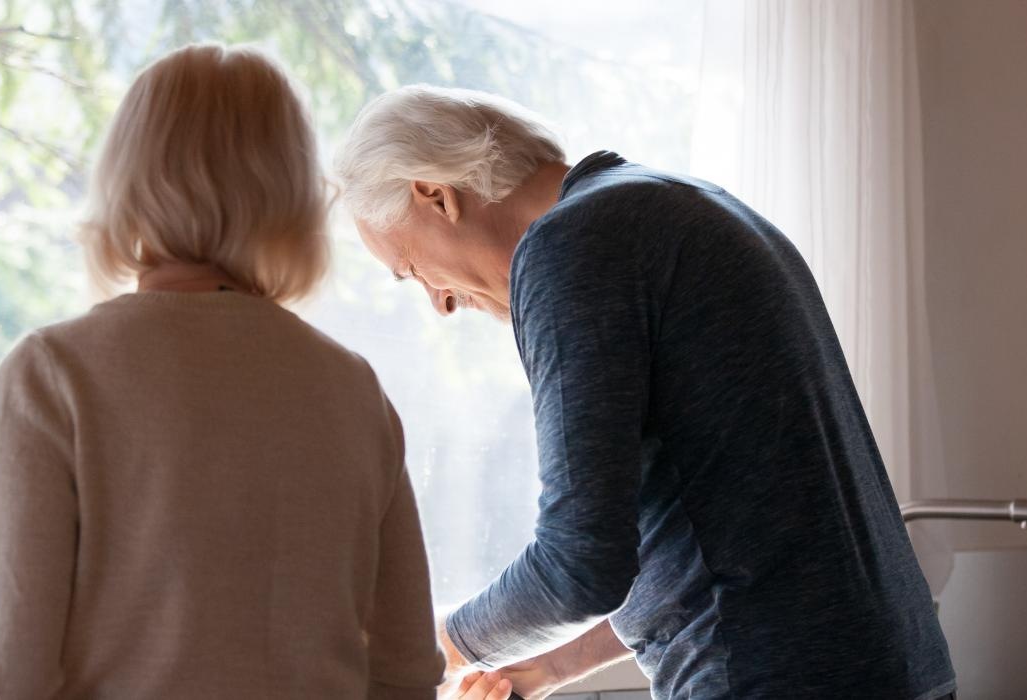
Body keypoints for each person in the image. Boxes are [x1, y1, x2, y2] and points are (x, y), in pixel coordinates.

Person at [334, 86, 956, 700]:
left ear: (436, 195)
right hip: (896, 666)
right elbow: (714, 541)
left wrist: (423, 651)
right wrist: (549, 666)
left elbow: (579, 564)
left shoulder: (570, 247)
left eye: (412, 269)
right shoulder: (689, 206)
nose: (439, 304)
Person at [0, 45, 444, 699]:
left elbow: (10, 676)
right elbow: (407, 675)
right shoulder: (353, 389)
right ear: (291, 192)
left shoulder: (54, 375)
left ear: (125, 178)